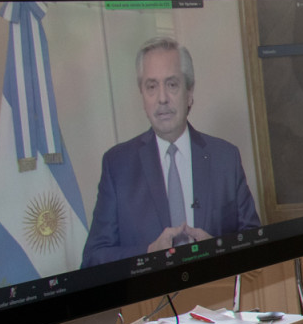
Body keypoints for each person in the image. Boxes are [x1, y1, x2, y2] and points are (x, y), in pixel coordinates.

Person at [81, 37, 260, 266]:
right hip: (152, 299)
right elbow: (93, 259)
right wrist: (149, 253)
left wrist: (217, 248)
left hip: (216, 295)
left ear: (190, 92)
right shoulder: (117, 165)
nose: (162, 98)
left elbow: (256, 244)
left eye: (172, 84)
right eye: (151, 87)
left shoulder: (226, 158)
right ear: (142, 96)